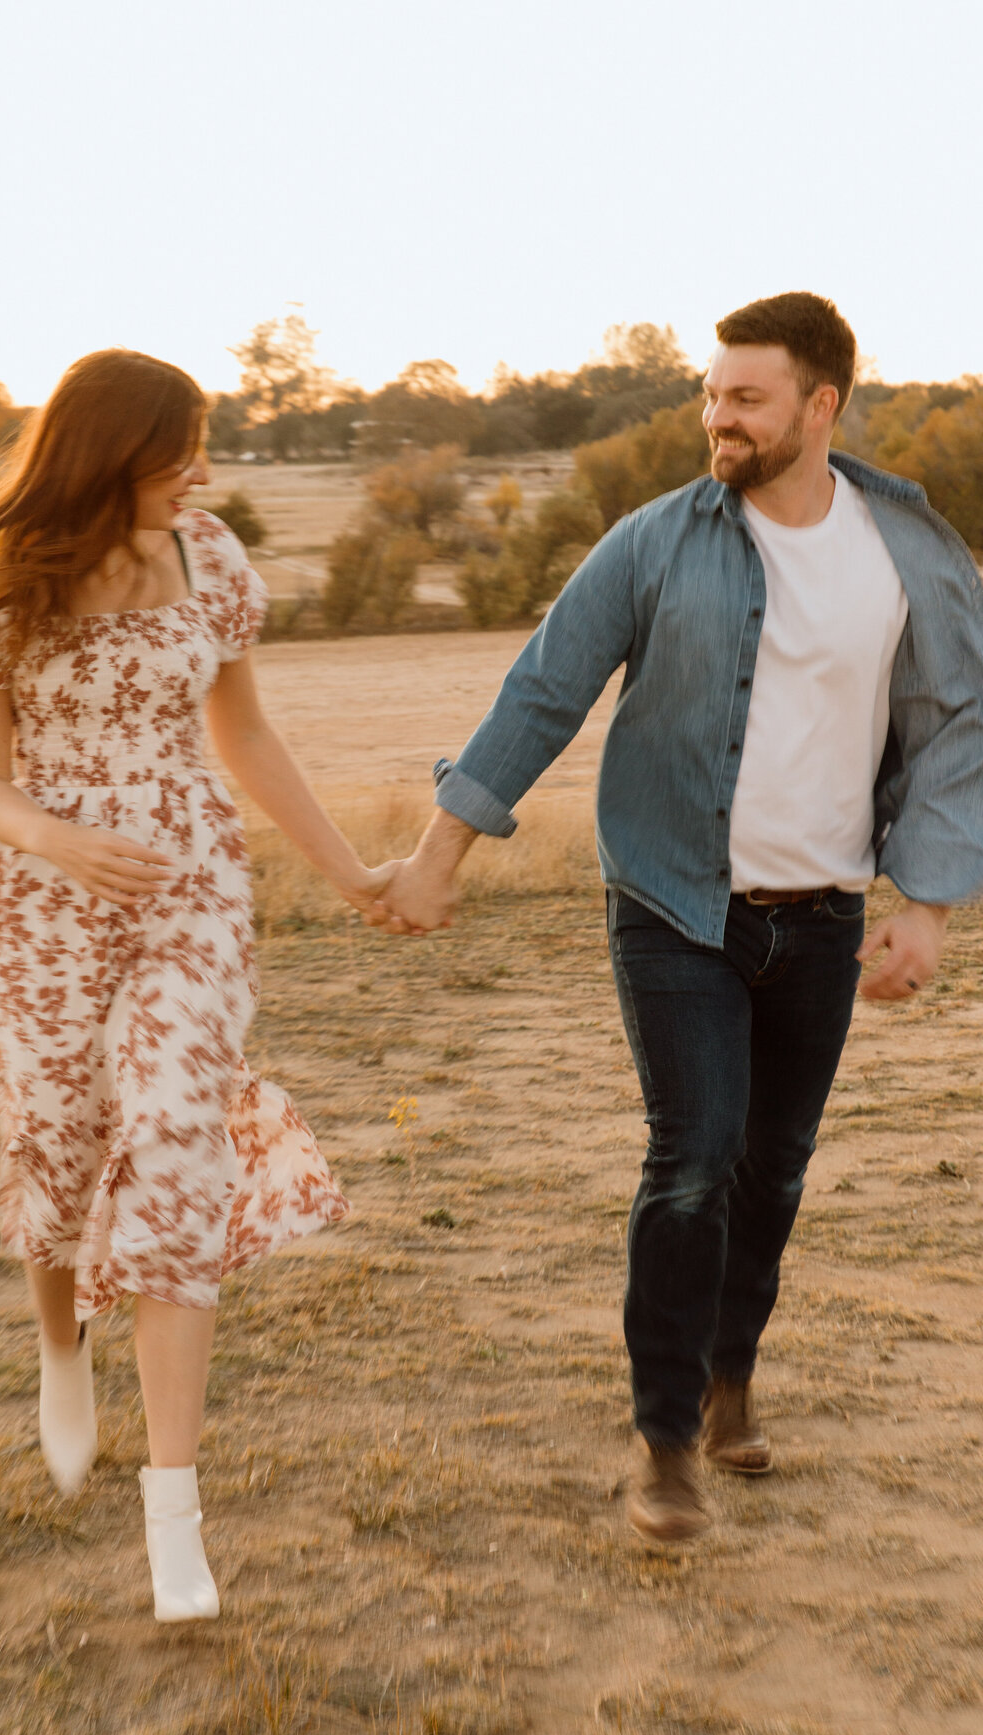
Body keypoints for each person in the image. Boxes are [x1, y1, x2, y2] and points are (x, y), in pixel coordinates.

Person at [379, 293, 983, 1543]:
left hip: (821, 911)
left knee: (774, 1169)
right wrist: (441, 855)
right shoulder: (654, 542)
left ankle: (729, 1374)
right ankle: (664, 1443)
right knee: (695, 1152)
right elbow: (544, 690)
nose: (717, 416)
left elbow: (954, 729)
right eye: (710, 394)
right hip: (673, 904)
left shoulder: (911, 552)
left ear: (821, 407)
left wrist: (926, 904)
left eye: (746, 398)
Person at [0, 349, 398, 1618]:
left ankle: (173, 1515)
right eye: (181, 451)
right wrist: (55, 835)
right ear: (107, 453)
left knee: (177, 1135)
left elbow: (246, 734)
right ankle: (60, 1347)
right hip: (44, 903)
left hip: (191, 889)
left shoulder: (212, 559)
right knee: (60, 1145)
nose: (202, 472)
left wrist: (345, 872)